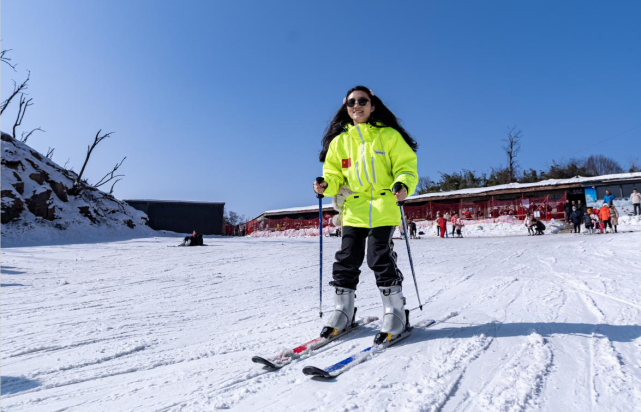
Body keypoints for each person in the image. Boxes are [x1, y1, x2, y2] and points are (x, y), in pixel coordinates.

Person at [313, 85, 418, 345]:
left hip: (384, 206)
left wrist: (403, 184)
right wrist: (326, 185)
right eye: (351, 102)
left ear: (373, 105)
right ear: (346, 107)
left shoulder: (389, 136)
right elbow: (334, 175)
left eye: (362, 101)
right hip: (355, 208)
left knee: (378, 255)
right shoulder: (340, 142)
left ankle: (395, 312)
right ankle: (343, 311)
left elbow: (406, 166)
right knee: (347, 257)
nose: (356, 105)